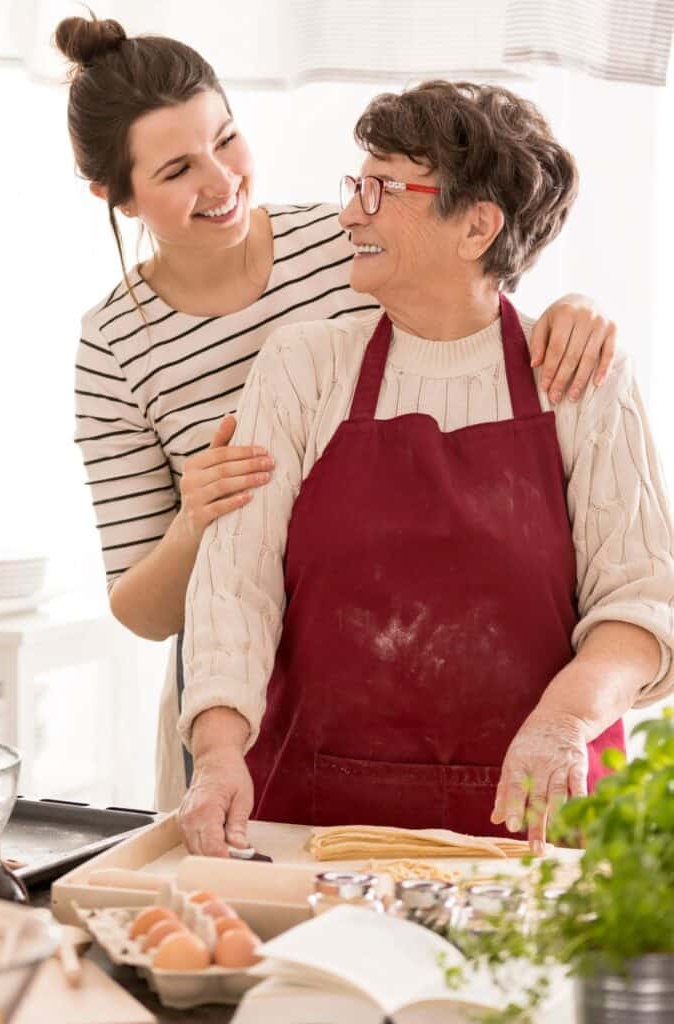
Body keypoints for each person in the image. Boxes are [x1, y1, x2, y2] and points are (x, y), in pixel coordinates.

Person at [57, 14, 618, 811]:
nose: (220, 183)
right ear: (114, 196)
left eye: (228, 139)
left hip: (420, 675)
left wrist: (580, 307)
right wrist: (198, 520)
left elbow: (483, 286)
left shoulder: (347, 240)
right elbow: (141, 607)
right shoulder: (117, 342)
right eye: (178, 169)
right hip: (242, 700)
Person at [178, 81, 674, 856]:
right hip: (314, 828)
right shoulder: (304, 367)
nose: (350, 213)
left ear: (476, 226)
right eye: (356, 186)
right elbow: (234, 588)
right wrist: (214, 754)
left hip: (532, 833)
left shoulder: (578, 374)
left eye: (380, 190)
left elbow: (643, 606)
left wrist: (567, 720)